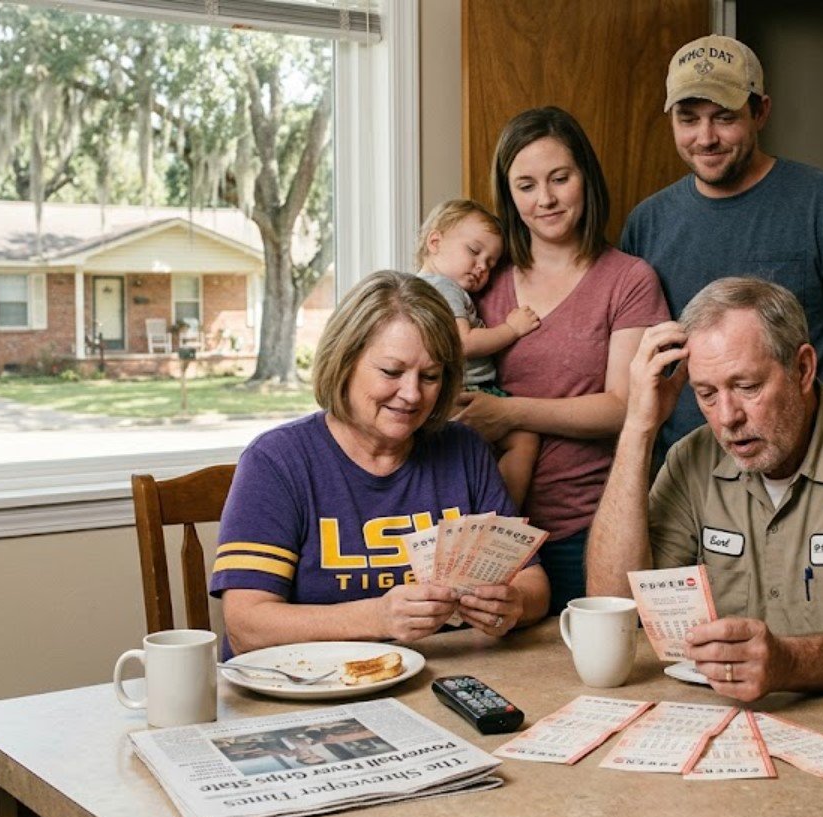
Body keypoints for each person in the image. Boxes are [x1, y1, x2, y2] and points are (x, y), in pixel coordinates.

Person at [585, 278, 823, 702]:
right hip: (730, 722)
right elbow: (610, 606)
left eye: (747, 387)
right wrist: (640, 427)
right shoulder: (691, 459)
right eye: (707, 394)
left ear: (803, 369)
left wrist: (790, 662)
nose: (727, 417)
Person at [210, 271, 551, 656]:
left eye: (430, 376)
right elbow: (246, 626)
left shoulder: (464, 451)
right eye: (391, 371)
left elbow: (533, 582)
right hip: (302, 693)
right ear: (345, 361)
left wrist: (513, 603)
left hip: (433, 685)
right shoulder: (276, 460)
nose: (411, 395)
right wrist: (377, 618)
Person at [621, 34, 823, 456]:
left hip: (808, 461)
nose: (705, 137)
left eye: (724, 117)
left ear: (761, 112)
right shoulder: (647, 222)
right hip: (689, 472)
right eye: (688, 118)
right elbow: (642, 367)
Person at [458, 106, 670, 613]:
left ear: (585, 179)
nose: (546, 199)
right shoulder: (485, 279)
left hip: (588, 529)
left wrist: (509, 412)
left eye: (560, 178)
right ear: (508, 194)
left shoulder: (628, 279)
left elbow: (625, 406)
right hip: (491, 534)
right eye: (526, 185)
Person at [414, 198, 542, 507]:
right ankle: (499, 519)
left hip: (442, 391)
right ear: (435, 241)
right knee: (524, 439)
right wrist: (512, 329)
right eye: (473, 251)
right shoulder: (445, 289)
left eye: (491, 262)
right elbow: (463, 343)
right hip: (468, 389)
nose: (482, 266)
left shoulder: (416, 286)